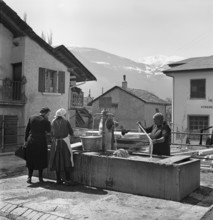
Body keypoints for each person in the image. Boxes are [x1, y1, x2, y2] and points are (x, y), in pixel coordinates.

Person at [25, 107, 51, 184]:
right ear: (45, 113)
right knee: (41, 158)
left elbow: (27, 130)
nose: (48, 115)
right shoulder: (46, 121)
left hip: (31, 140)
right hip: (41, 141)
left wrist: (25, 141)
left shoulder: (31, 117)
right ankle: (40, 177)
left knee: (31, 159)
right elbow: (49, 130)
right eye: (48, 114)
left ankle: (29, 177)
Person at [49, 108, 74, 185]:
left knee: (57, 160)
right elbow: (71, 132)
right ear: (63, 114)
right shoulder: (66, 122)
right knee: (67, 159)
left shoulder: (53, 122)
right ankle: (68, 179)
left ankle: (58, 179)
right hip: (64, 143)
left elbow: (51, 133)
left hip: (56, 143)